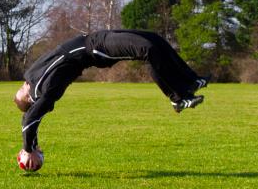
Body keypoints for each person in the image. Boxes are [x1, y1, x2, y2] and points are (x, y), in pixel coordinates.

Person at [13, 29, 208, 170]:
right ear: (30, 98)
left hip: (98, 36)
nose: (22, 85)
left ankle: (191, 81)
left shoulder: (31, 75)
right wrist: (28, 149)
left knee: (155, 39)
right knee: (148, 49)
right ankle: (176, 97)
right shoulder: (45, 90)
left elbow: (31, 119)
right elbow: (30, 119)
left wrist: (33, 146)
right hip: (96, 49)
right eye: (20, 91)